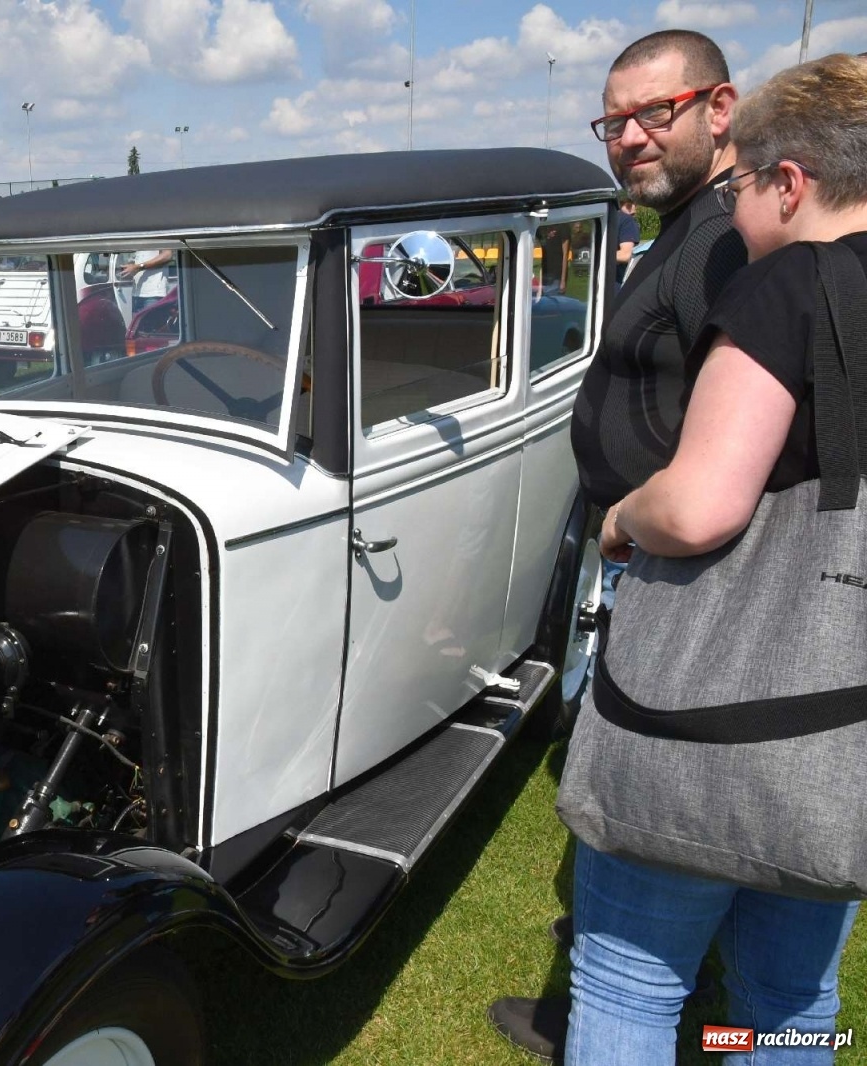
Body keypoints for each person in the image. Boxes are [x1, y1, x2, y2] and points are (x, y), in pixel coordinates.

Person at [560, 53, 867, 1065]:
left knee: (629, 981)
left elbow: (699, 507)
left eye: (744, 188)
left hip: (706, 713)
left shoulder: (789, 283)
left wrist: (622, 517)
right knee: (791, 999)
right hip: (838, 726)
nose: (733, 212)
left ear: (792, 181)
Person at [488, 28, 747, 1061]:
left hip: (686, 581)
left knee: (645, 825)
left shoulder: (726, 243)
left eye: (654, 113)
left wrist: (632, 518)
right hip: (660, 570)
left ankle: (632, 1000)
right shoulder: (688, 230)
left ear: (719, 108)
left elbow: (742, 429)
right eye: (613, 122)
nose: (629, 137)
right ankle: (699, 1009)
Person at [615, 199, 642, 284]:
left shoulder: (625, 220)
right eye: (629, 205)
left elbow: (626, 254)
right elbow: (626, 255)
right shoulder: (626, 220)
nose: (634, 209)